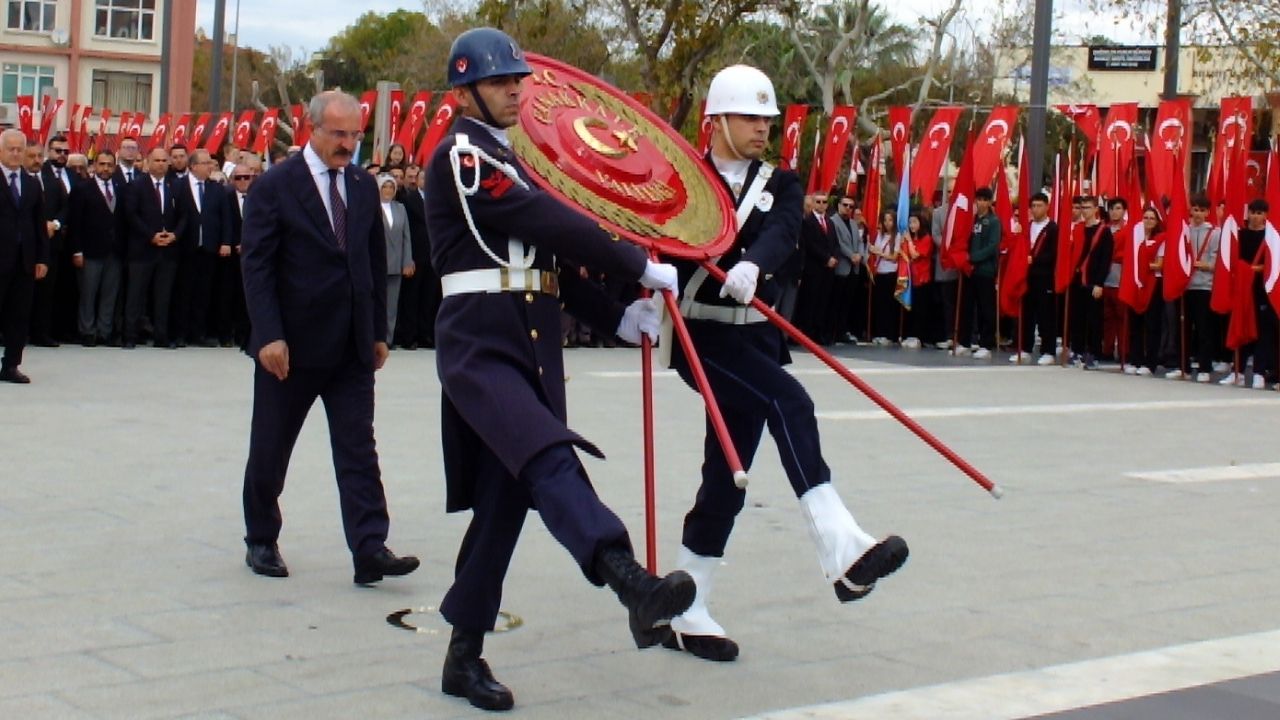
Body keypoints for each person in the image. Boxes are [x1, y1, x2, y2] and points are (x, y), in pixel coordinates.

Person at [424, 28, 693, 712]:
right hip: (480, 344)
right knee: (548, 459)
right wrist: (634, 263)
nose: (517, 88)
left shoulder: (511, 159)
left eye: (518, 77)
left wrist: (615, 315)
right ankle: (628, 579)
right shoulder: (461, 153)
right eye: (500, 80)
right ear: (465, 91)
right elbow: (541, 220)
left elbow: (543, 266)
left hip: (529, 340)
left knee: (503, 505)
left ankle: (462, 656)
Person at [663, 63, 907, 665]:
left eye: (766, 120)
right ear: (717, 119)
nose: (761, 130)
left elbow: (781, 231)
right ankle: (841, 548)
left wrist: (755, 266)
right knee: (788, 400)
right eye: (749, 118)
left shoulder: (782, 181)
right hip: (701, 338)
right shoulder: (682, 177)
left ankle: (687, 607)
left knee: (727, 474)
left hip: (755, 338)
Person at [239, 91, 420, 585]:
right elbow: (256, 266)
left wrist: (379, 331)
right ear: (310, 129)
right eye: (338, 134)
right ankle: (261, 538)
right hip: (290, 348)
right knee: (272, 446)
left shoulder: (363, 186)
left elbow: (370, 261)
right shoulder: (275, 186)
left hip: (351, 347)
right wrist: (269, 335)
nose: (347, 144)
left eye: (355, 134)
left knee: (358, 447)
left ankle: (369, 548)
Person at [122, 146, 185, 349]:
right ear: (148, 162)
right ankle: (130, 335)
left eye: (163, 161)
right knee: (135, 294)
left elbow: (185, 215)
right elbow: (131, 215)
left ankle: (161, 336)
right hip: (143, 249)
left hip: (168, 250)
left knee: (163, 295)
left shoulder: (176, 185)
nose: (160, 164)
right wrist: (151, 236)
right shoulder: (136, 185)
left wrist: (175, 234)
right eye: (156, 160)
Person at [0, 129, 48, 383]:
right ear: (1, 150)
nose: (16, 154)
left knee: (18, 316)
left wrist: (42, 258)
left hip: (24, 261)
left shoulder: (31, 183)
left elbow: (39, 223)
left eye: (20, 149)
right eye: (11, 149)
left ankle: (10, 366)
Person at [67, 149, 125, 347]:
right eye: (102, 164)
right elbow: (75, 223)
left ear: (114, 167)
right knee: (88, 293)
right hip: (89, 251)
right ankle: (87, 331)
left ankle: (104, 331)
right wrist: (77, 251)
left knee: (110, 293)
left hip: (114, 251)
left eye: (109, 165)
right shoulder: (82, 188)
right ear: (94, 166)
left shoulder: (121, 187)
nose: (105, 168)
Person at [174, 149, 231, 347]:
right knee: (183, 291)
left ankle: (198, 333)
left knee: (203, 293)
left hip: (208, 248)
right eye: (206, 163)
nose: (210, 166)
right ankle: (180, 333)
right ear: (194, 166)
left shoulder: (216, 189)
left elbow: (225, 218)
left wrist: (225, 242)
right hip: (185, 249)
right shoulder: (178, 186)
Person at [1175, 194, 1219, 382]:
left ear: (1208, 212)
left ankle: (1204, 367)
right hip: (1185, 286)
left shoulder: (1215, 233)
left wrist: (1204, 265)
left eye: (1202, 210)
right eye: (1195, 210)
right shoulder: (1184, 231)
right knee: (1183, 327)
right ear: (1190, 211)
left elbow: (1218, 261)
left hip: (1204, 286)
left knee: (1203, 329)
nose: (1198, 214)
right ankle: (1182, 366)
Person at [1236, 199, 1277, 389]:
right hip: (1243, 288)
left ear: (1266, 216)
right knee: (1241, 327)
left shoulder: (1271, 237)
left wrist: (1258, 269)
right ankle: (1238, 370)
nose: (1255, 216)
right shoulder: (1240, 235)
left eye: (1260, 213)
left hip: (1263, 290)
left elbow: (1273, 264)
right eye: (1252, 212)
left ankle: (1259, 372)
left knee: (1263, 332)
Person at [1013, 191, 1058, 365]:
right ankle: (1025, 347)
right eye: (1033, 206)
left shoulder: (1053, 228)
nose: (1036, 209)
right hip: (1027, 276)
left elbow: (1053, 253)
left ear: (1047, 207)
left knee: (1046, 314)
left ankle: (1048, 350)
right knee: (1027, 313)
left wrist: (1035, 259)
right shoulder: (1027, 226)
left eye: (1040, 206)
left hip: (1044, 277)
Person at [963, 186, 1000, 359]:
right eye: (979, 199)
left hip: (985, 270)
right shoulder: (972, 221)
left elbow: (992, 246)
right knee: (967, 307)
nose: (982, 203)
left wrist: (973, 257)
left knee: (987, 308)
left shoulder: (994, 222)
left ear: (990, 201)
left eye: (985, 200)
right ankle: (965, 341)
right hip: (970, 271)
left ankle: (986, 343)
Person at [377, 173, 412, 343]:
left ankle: (387, 339)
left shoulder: (400, 208)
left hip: (396, 264)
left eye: (391, 187)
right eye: (385, 186)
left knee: (391, 305)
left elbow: (407, 237)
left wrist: (407, 261)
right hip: (377, 264)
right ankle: (374, 338)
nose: (388, 190)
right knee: (376, 303)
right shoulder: (372, 207)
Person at [829, 194, 863, 344]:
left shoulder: (854, 223)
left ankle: (842, 331)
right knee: (835, 302)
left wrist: (860, 255)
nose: (848, 208)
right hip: (841, 267)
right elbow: (838, 242)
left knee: (847, 303)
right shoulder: (833, 222)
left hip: (854, 268)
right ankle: (832, 331)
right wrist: (851, 255)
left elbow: (860, 242)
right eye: (845, 205)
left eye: (851, 206)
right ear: (839, 205)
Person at [900, 209, 934, 349]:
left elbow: (915, 255)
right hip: (911, 278)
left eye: (914, 222)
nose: (912, 225)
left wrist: (908, 241)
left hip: (923, 278)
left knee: (921, 309)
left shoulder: (926, 238)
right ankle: (911, 334)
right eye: (910, 222)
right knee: (912, 309)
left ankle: (919, 337)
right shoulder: (912, 238)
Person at [868, 209, 900, 344]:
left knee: (889, 305)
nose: (887, 223)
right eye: (885, 220)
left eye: (890, 220)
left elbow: (894, 257)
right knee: (879, 304)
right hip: (879, 272)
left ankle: (889, 334)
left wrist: (880, 253)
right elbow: (874, 250)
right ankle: (880, 333)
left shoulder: (897, 236)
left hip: (890, 273)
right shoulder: (879, 235)